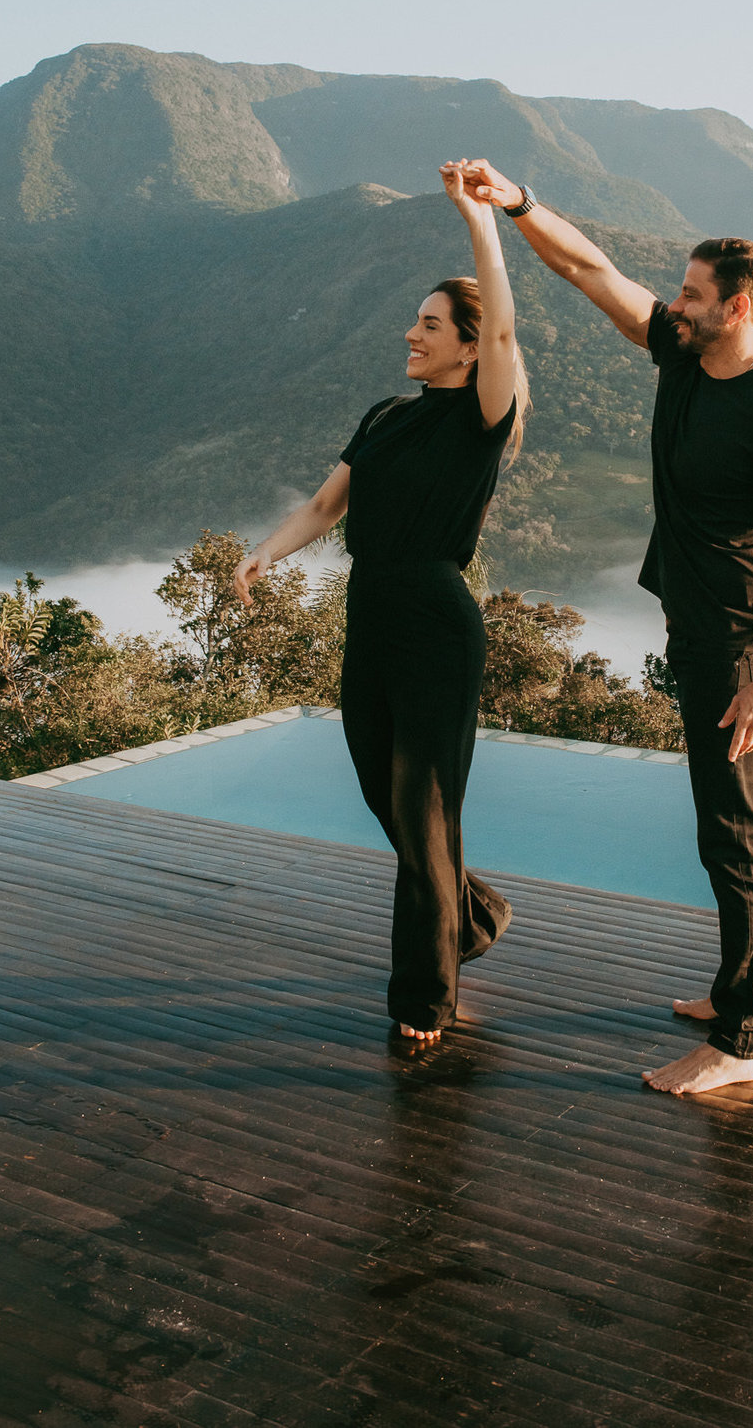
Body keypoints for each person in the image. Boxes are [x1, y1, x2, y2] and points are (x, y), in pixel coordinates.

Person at [451, 159, 753, 1095]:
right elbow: (591, 273)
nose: (676, 301)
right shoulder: (684, 351)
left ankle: (739, 1045)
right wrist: (521, 205)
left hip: (739, 646)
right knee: (740, 822)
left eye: (694, 293)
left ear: (739, 307)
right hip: (697, 626)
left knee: (731, 833)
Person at [233, 163, 528, 1045]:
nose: (411, 333)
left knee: (424, 808)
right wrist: (263, 554)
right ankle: (469, 916)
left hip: (437, 618)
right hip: (370, 613)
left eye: (430, 324)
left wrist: (481, 221)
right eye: (416, 321)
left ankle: (422, 999)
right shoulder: (386, 415)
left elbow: (506, 319)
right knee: (384, 796)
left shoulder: (485, 415)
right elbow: (327, 507)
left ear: (470, 346)